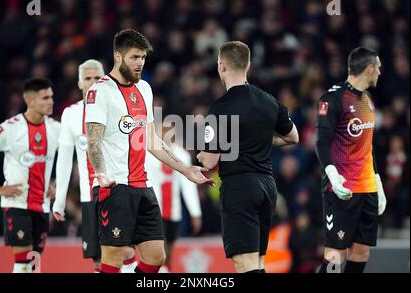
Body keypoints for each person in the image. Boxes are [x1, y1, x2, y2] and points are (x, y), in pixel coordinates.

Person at [84, 29, 214, 273]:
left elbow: (152, 140)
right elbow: (94, 141)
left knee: (156, 257)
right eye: (134, 57)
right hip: (114, 186)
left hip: (142, 185)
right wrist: (100, 173)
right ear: (118, 56)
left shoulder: (144, 88)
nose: (140, 63)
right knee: (112, 257)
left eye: (143, 57)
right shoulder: (100, 91)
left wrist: (185, 169)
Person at [197, 41, 299, 273]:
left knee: (245, 264)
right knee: (258, 262)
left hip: (240, 187)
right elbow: (293, 137)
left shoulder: (219, 107)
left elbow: (210, 161)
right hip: (266, 186)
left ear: (221, 67)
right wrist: (264, 138)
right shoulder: (269, 101)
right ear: (248, 65)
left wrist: (202, 155)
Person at [52, 59, 137, 273]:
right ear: (80, 83)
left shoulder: (119, 109)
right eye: (87, 78)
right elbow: (64, 159)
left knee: (124, 251)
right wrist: (60, 200)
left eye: (97, 78)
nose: (92, 82)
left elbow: (133, 150)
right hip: (89, 197)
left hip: (118, 191)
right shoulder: (70, 114)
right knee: (99, 261)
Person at [0, 78, 60, 273]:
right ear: (30, 101)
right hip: (17, 202)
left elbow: (69, 156)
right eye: (45, 98)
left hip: (42, 204)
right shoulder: (11, 127)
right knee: (24, 258)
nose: (51, 101)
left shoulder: (55, 128)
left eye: (51, 97)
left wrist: (58, 183)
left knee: (34, 259)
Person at [315, 47, 387, 273]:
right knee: (336, 254)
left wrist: (377, 179)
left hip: (367, 188)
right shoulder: (333, 98)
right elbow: (321, 142)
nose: (380, 73)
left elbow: (367, 145)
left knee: (361, 251)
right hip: (342, 189)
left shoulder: (368, 100)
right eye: (378, 68)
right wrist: (333, 175)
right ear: (368, 69)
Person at [147, 126, 202, 273]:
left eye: (170, 130)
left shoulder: (182, 155)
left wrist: (195, 213)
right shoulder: (151, 153)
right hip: (154, 209)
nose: (167, 133)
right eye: (164, 130)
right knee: (159, 249)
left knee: (169, 249)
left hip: (173, 210)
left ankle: (166, 269)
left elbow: (188, 187)